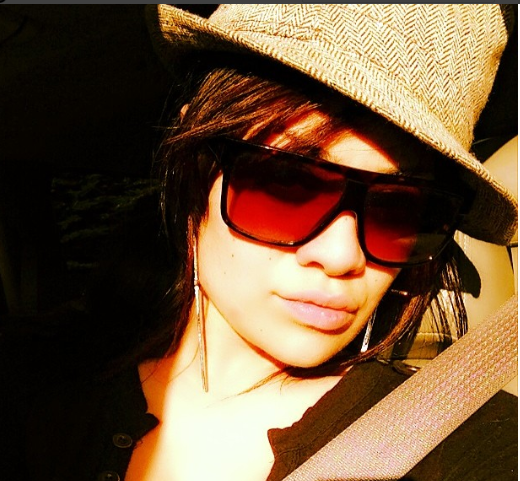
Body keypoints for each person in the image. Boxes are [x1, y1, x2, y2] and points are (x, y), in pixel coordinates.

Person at [0, 4, 517, 481]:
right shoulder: (32, 387)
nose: (341, 257)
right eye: (287, 185)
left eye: (399, 209)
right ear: (195, 170)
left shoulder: (470, 446)